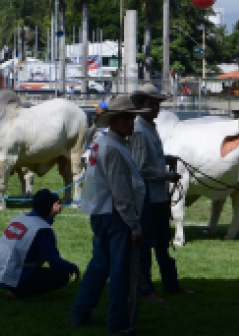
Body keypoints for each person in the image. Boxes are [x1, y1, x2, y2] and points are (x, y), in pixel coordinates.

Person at [70, 95, 147, 334]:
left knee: (99, 265)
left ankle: (80, 313)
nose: (130, 123)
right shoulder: (114, 148)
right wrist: (134, 225)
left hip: (100, 212)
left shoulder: (103, 143)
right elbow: (120, 193)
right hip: (116, 216)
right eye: (126, 119)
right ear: (113, 121)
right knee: (120, 272)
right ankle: (118, 322)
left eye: (131, 119)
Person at [130, 83, 190, 300]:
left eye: (157, 104)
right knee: (146, 246)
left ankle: (170, 284)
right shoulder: (139, 131)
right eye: (151, 104)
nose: (155, 108)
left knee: (162, 243)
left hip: (158, 195)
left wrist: (165, 159)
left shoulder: (149, 128)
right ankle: (146, 289)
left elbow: (149, 160)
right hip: (147, 196)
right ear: (140, 106)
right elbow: (140, 168)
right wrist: (167, 176)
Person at [0, 188, 81, 299]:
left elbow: (36, 224)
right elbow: (55, 262)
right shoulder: (43, 230)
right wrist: (72, 267)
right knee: (63, 276)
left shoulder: (19, 219)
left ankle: (15, 289)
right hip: (14, 276)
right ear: (50, 206)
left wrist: (51, 216)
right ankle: (18, 293)